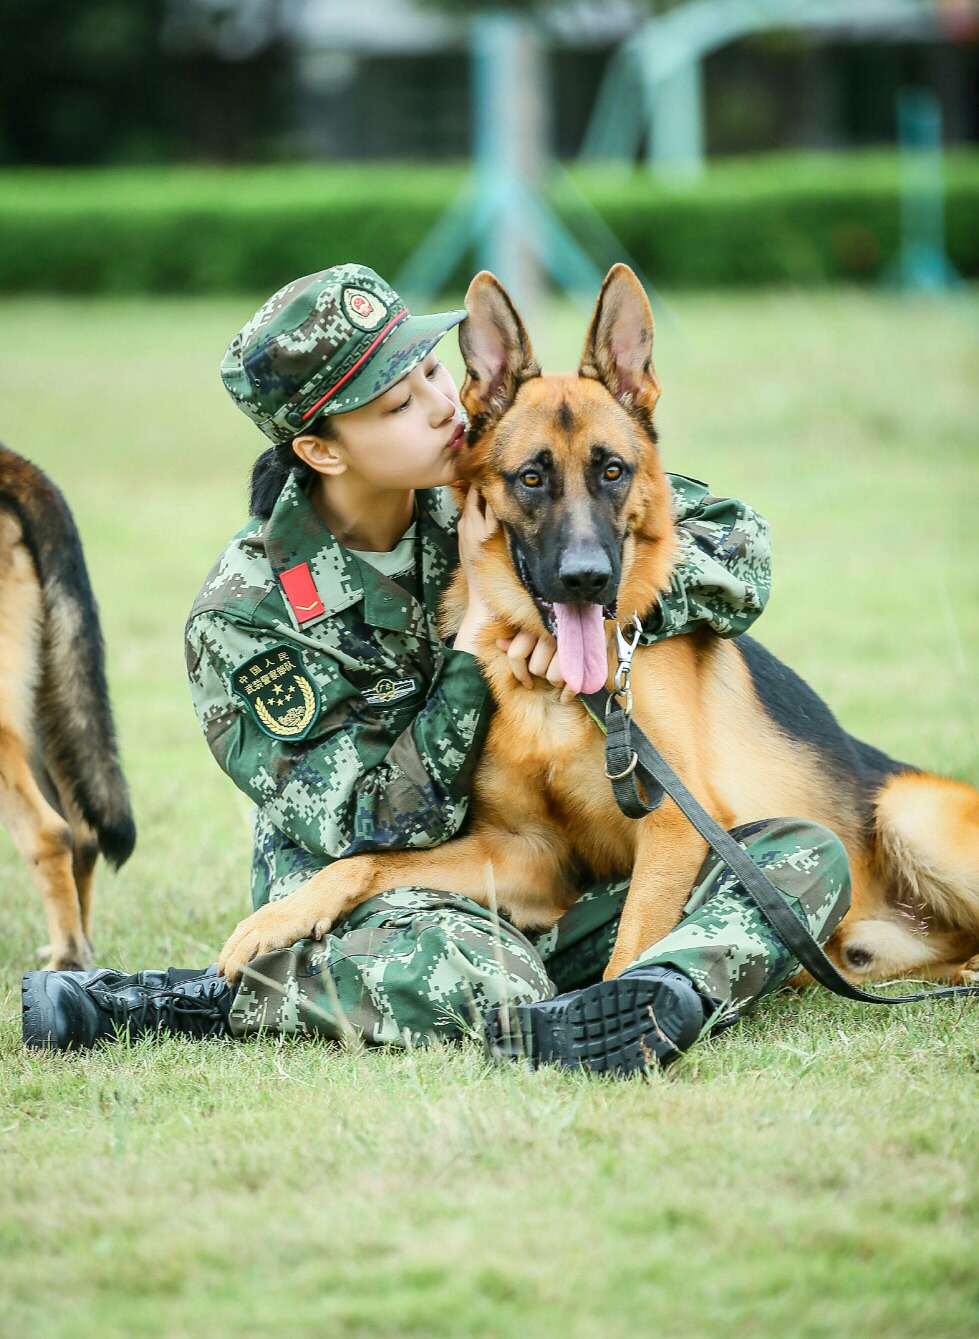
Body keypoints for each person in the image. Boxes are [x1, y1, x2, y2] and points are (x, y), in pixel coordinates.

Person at [22, 264, 850, 1074]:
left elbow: (729, 545)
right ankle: (197, 1001)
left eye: (429, 370)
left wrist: (589, 617)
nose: (440, 404)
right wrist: (476, 641)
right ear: (321, 448)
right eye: (397, 402)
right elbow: (367, 823)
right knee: (467, 969)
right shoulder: (244, 615)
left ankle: (647, 997)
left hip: (537, 868)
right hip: (394, 901)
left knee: (793, 858)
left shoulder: (496, 472)